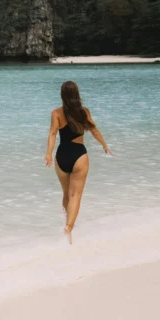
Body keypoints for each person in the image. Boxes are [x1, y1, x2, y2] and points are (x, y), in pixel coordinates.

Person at [44, 81, 113, 244]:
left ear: (62, 95)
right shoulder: (84, 112)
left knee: (67, 193)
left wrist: (48, 154)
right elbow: (94, 130)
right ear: (77, 94)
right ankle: (68, 227)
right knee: (76, 195)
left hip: (61, 156)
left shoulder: (56, 113)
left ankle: (66, 224)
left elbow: (53, 133)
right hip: (79, 155)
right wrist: (104, 145)